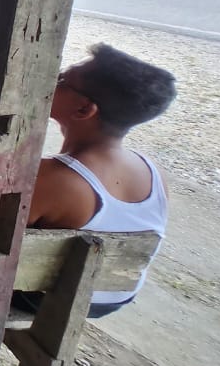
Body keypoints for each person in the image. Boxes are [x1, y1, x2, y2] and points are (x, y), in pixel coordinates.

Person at [19, 44, 176, 318]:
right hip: (112, 297)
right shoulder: (154, 171)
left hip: (45, 297)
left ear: (83, 110)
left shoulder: (54, 178)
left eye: (62, 80)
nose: (51, 80)